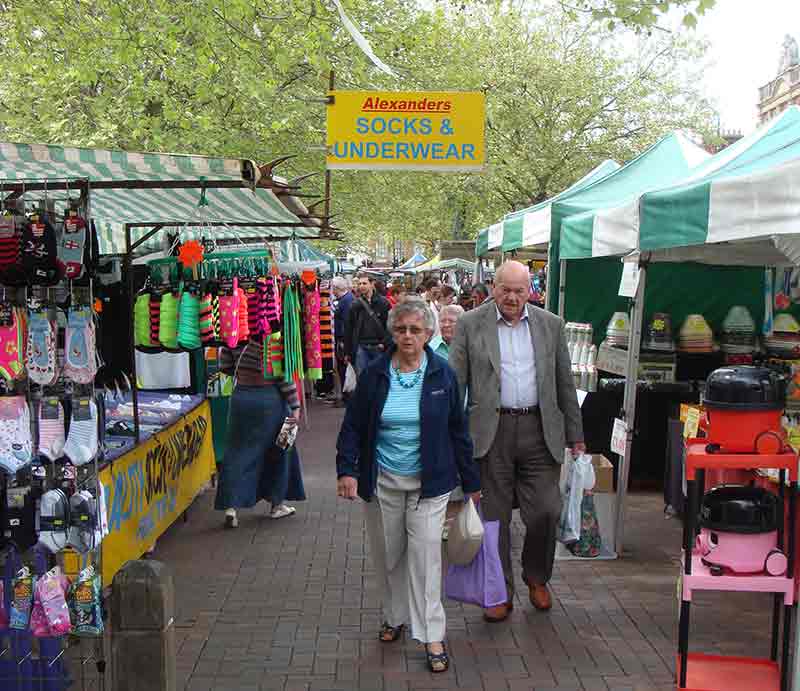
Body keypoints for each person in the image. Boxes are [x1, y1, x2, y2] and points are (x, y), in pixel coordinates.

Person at [336, 297, 479, 673]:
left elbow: (458, 432)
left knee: (426, 559)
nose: (408, 336)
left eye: (415, 330)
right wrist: (346, 470)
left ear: (429, 334)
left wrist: (471, 482)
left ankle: (432, 634)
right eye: (401, 329)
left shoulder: (443, 375)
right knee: (389, 555)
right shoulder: (376, 375)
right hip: (382, 479)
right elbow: (352, 426)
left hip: (430, 484)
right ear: (392, 332)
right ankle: (394, 615)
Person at [449, 260, 584, 621]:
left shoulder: (550, 325)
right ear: (493, 287)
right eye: (505, 289)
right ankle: (498, 590)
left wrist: (576, 434)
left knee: (545, 510)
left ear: (530, 291)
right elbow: (454, 384)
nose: (511, 297)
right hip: (490, 433)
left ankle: (537, 577)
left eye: (519, 290)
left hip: (541, 430)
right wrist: (450, 436)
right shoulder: (469, 323)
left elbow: (564, 383)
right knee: (493, 519)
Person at [215, 338, 306, 528]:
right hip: (271, 400)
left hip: (241, 399)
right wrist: (296, 406)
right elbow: (282, 375)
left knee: (236, 452)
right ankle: (277, 504)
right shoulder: (272, 337)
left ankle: (231, 507)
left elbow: (224, 366)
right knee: (283, 449)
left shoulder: (236, 333)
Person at [345, 273, 392, 374]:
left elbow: (390, 326)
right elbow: (349, 328)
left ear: (372, 284)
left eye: (364, 283)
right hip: (361, 347)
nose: (361, 286)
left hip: (378, 348)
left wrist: (384, 344)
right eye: (360, 283)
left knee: (380, 378)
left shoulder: (383, 303)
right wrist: (348, 351)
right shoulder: (355, 305)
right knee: (362, 379)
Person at [332, 276, 354, 403]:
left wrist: (344, 343)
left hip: (343, 340)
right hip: (342, 339)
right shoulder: (346, 299)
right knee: (342, 368)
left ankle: (347, 397)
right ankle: (346, 396)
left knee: (343, 368)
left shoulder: (346, 301)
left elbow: (347, 323)